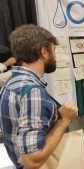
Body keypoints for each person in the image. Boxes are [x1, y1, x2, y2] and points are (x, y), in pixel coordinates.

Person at [0, 24, 78, 169]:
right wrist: (64, 120)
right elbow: (32, 160)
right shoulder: (32, 92)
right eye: (53, 50)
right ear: (44, 52)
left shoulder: (11, 82)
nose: (55, 56)